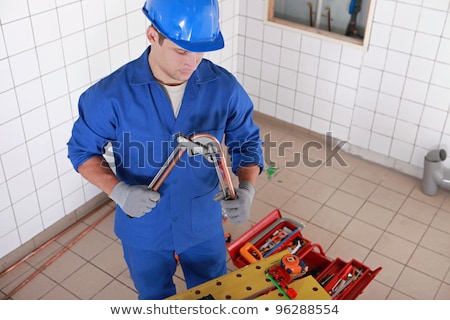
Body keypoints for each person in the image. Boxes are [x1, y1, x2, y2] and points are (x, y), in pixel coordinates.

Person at [67, 0, 264, 300]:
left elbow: (247, 142)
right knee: (155, 299)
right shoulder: (112, 94)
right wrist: (118, 191)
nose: (192, 62)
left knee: (211, 294)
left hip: (203, 222)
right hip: (144, 227)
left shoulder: (223, 87)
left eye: (200, 50)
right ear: (151, 35)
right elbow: (82, 151)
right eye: (181, 50)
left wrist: (248, 188)